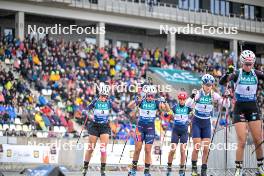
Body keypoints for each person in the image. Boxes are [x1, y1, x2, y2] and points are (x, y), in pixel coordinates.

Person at [219, 50, 264, 176]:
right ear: (242, 62)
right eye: (246, 64)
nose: (249, 67)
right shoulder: (237, 73)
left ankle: (261, 166)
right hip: (239, 108)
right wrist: (227, 73)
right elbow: (222, 82)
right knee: (242, 140)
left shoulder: (256, 73)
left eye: (251, 64)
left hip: (253, 107)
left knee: (258, 139)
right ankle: (238, 169)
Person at [186, 74, 230, 176]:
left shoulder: (213, 95)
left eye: (210, 85)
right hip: (197, 122)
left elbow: (226, 105)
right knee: (197, 147)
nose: (208, 87)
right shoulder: (198, 94)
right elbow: (188, 105)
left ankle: (203, 171)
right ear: (203, 84)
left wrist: (226, 97)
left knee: (206, 149)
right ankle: (193, 169)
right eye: (206, 85)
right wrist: (192, 96)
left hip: (206, 123)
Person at [127, 85, 169, 176]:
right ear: (145, 95)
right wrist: (136, 100)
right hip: (140, 128)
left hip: (150, 129)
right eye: (148, 95)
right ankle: (133, 170)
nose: (150, 97)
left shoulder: (156, 102)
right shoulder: (141, 101)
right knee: (137, 149)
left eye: (152, 96)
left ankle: (146, 172)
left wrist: (164, 101)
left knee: (148, 150)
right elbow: (129, 106)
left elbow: (166, 110)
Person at [82, 84, 122, 176]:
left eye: (105, 96)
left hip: (104, 126)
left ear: (107, 96)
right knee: (90, 148)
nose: (103, 97)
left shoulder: (109, 102)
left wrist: (120, 113)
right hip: (94, 126)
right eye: (102, 96)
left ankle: (102, 170)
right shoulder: (95, 101)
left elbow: (118, 110)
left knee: (103, 149)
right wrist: (86, 113)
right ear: (99, 95)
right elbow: (86, 109)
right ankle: (85, 168)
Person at [166, 91, 193, 176]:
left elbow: (193, 115)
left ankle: (181, 169)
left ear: (185, 100)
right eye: (180, 99)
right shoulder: (175, 107)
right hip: (176, 131)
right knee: (173, 150)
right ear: (178, 99)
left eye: (183, 99)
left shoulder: (188, 108)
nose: (182, 101)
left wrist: (190, 122)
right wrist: (167, 114)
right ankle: (169, 168)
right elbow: (169, 113)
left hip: (184, 131)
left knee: (183, 151)